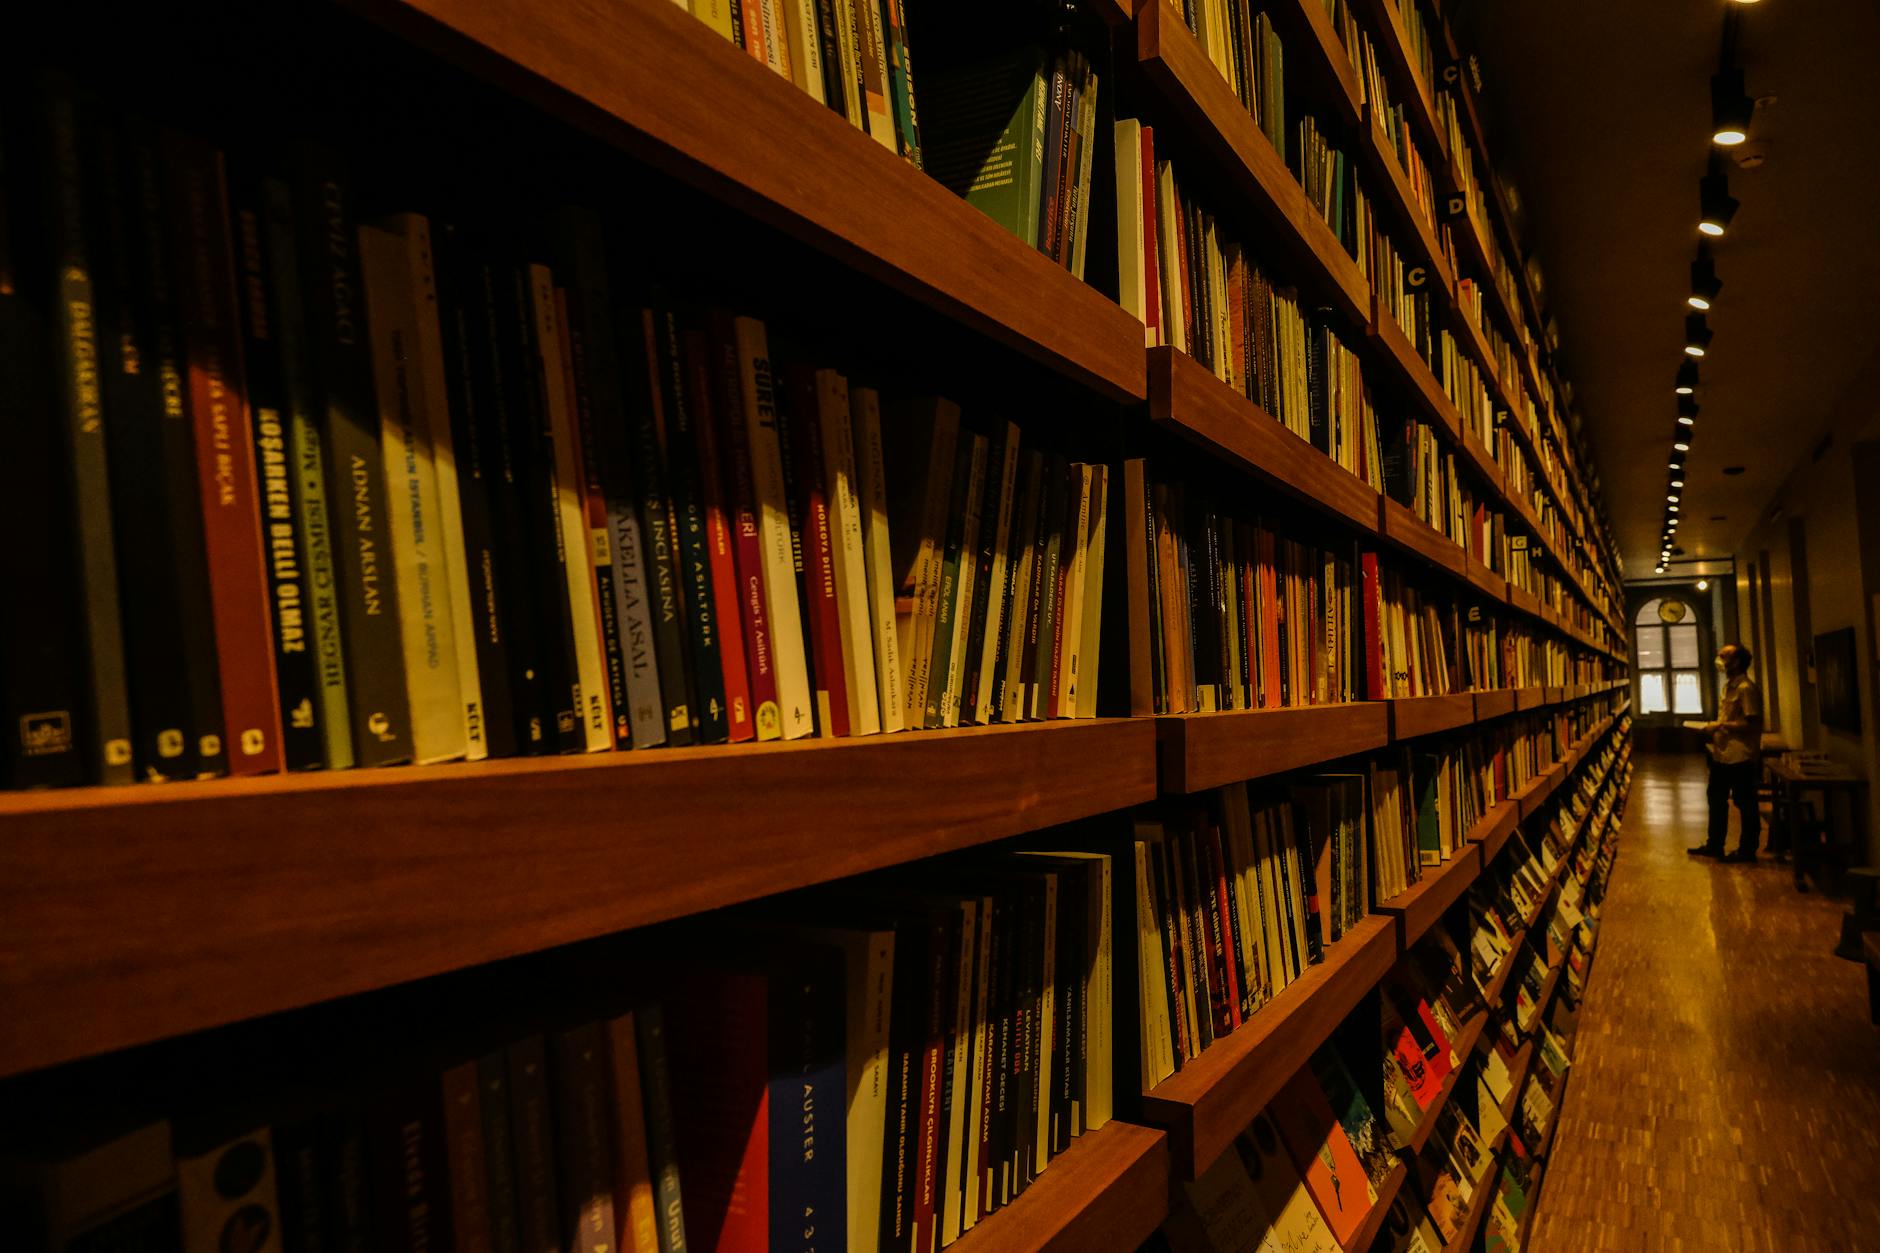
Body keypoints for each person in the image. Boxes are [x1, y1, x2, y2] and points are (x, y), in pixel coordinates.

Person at [1689, 642, 1763, 862]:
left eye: (1724, 656)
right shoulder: (1728, 686)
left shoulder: (1745, 688)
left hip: (1741, 756)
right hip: (1723, 754)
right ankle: (1715, 844)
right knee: (1716, 799)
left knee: (1745, 803)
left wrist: (1720, 726)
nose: (1718, 659)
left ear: (1737, 661)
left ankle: (1747, 850)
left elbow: (1752, 723)